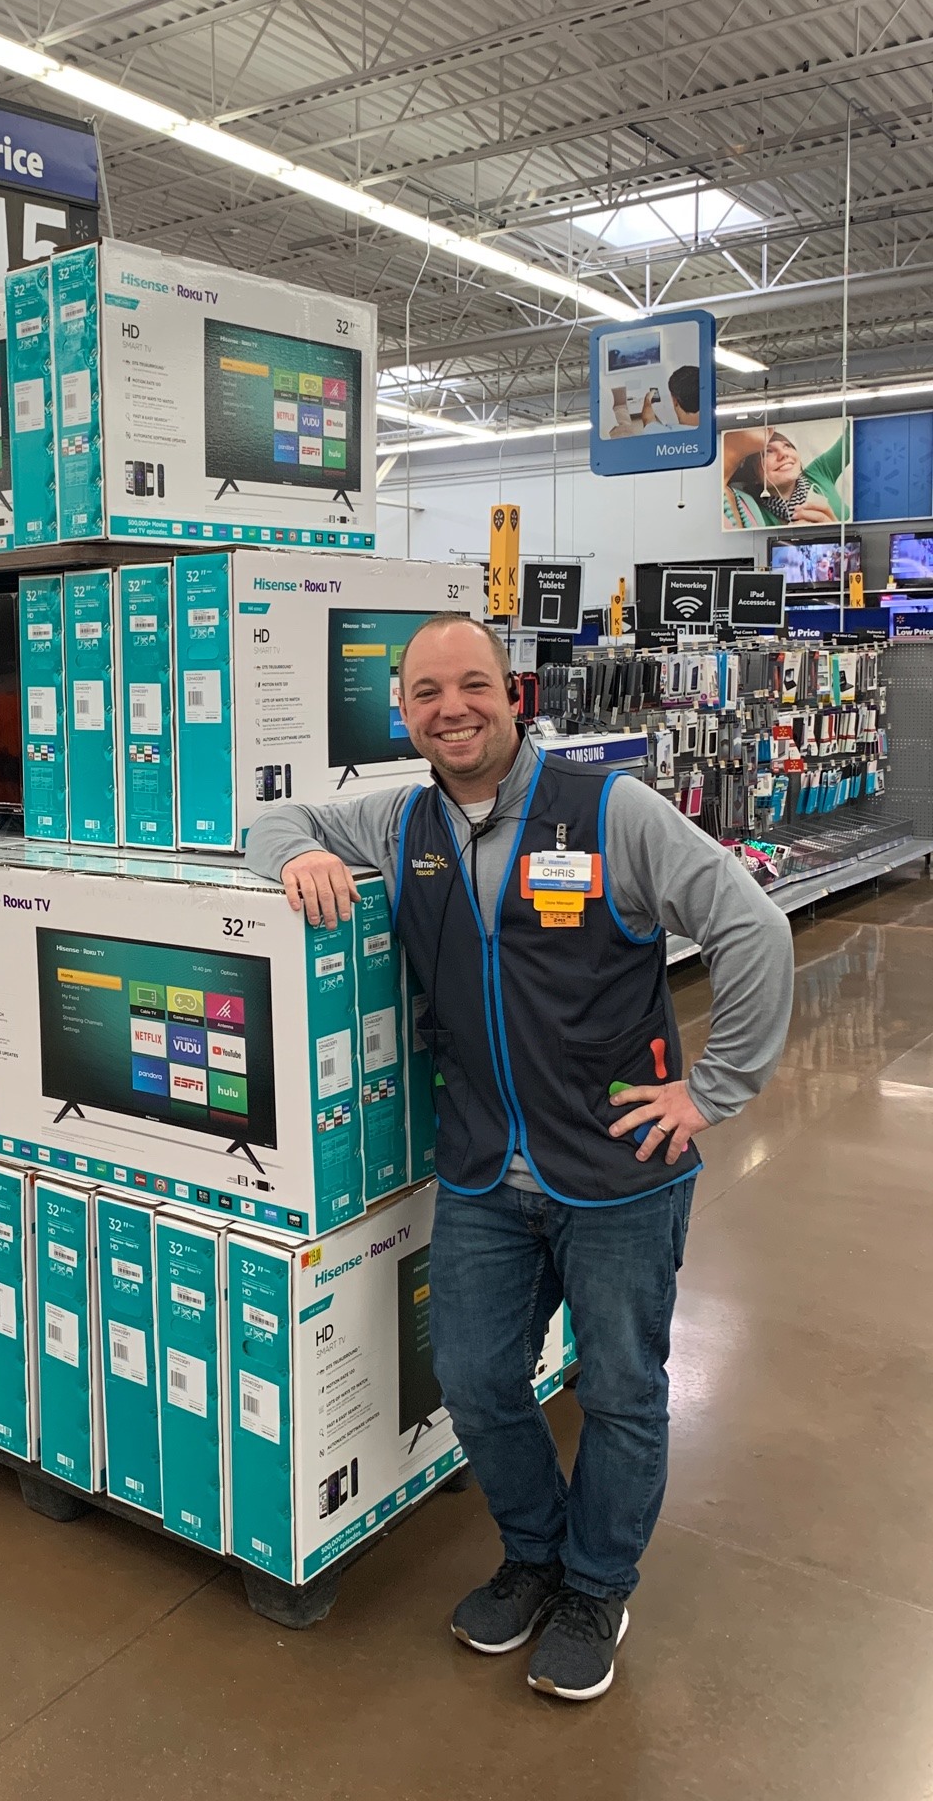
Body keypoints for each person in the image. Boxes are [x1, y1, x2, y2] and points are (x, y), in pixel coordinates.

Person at [244, 616, 794, 1702]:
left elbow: (752, 928)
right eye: (426, 693)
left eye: (472, 685)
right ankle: (536, 1555)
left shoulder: (608, 809)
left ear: (514, 694)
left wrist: (711, 1091)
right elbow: (275, 816)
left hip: (619, 1172)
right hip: (486, 1170)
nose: (451, 709)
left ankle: (596, 1586)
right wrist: (300, 853)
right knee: (477, 1378)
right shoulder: (400, 821)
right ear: (404, 713)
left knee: (623, 1390)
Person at [723, 425, 849, 528]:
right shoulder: (750, 511)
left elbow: (852, 435)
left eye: (787, 446)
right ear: (753, 474)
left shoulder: (819, 472)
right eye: (768, 451)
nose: (783, 454)